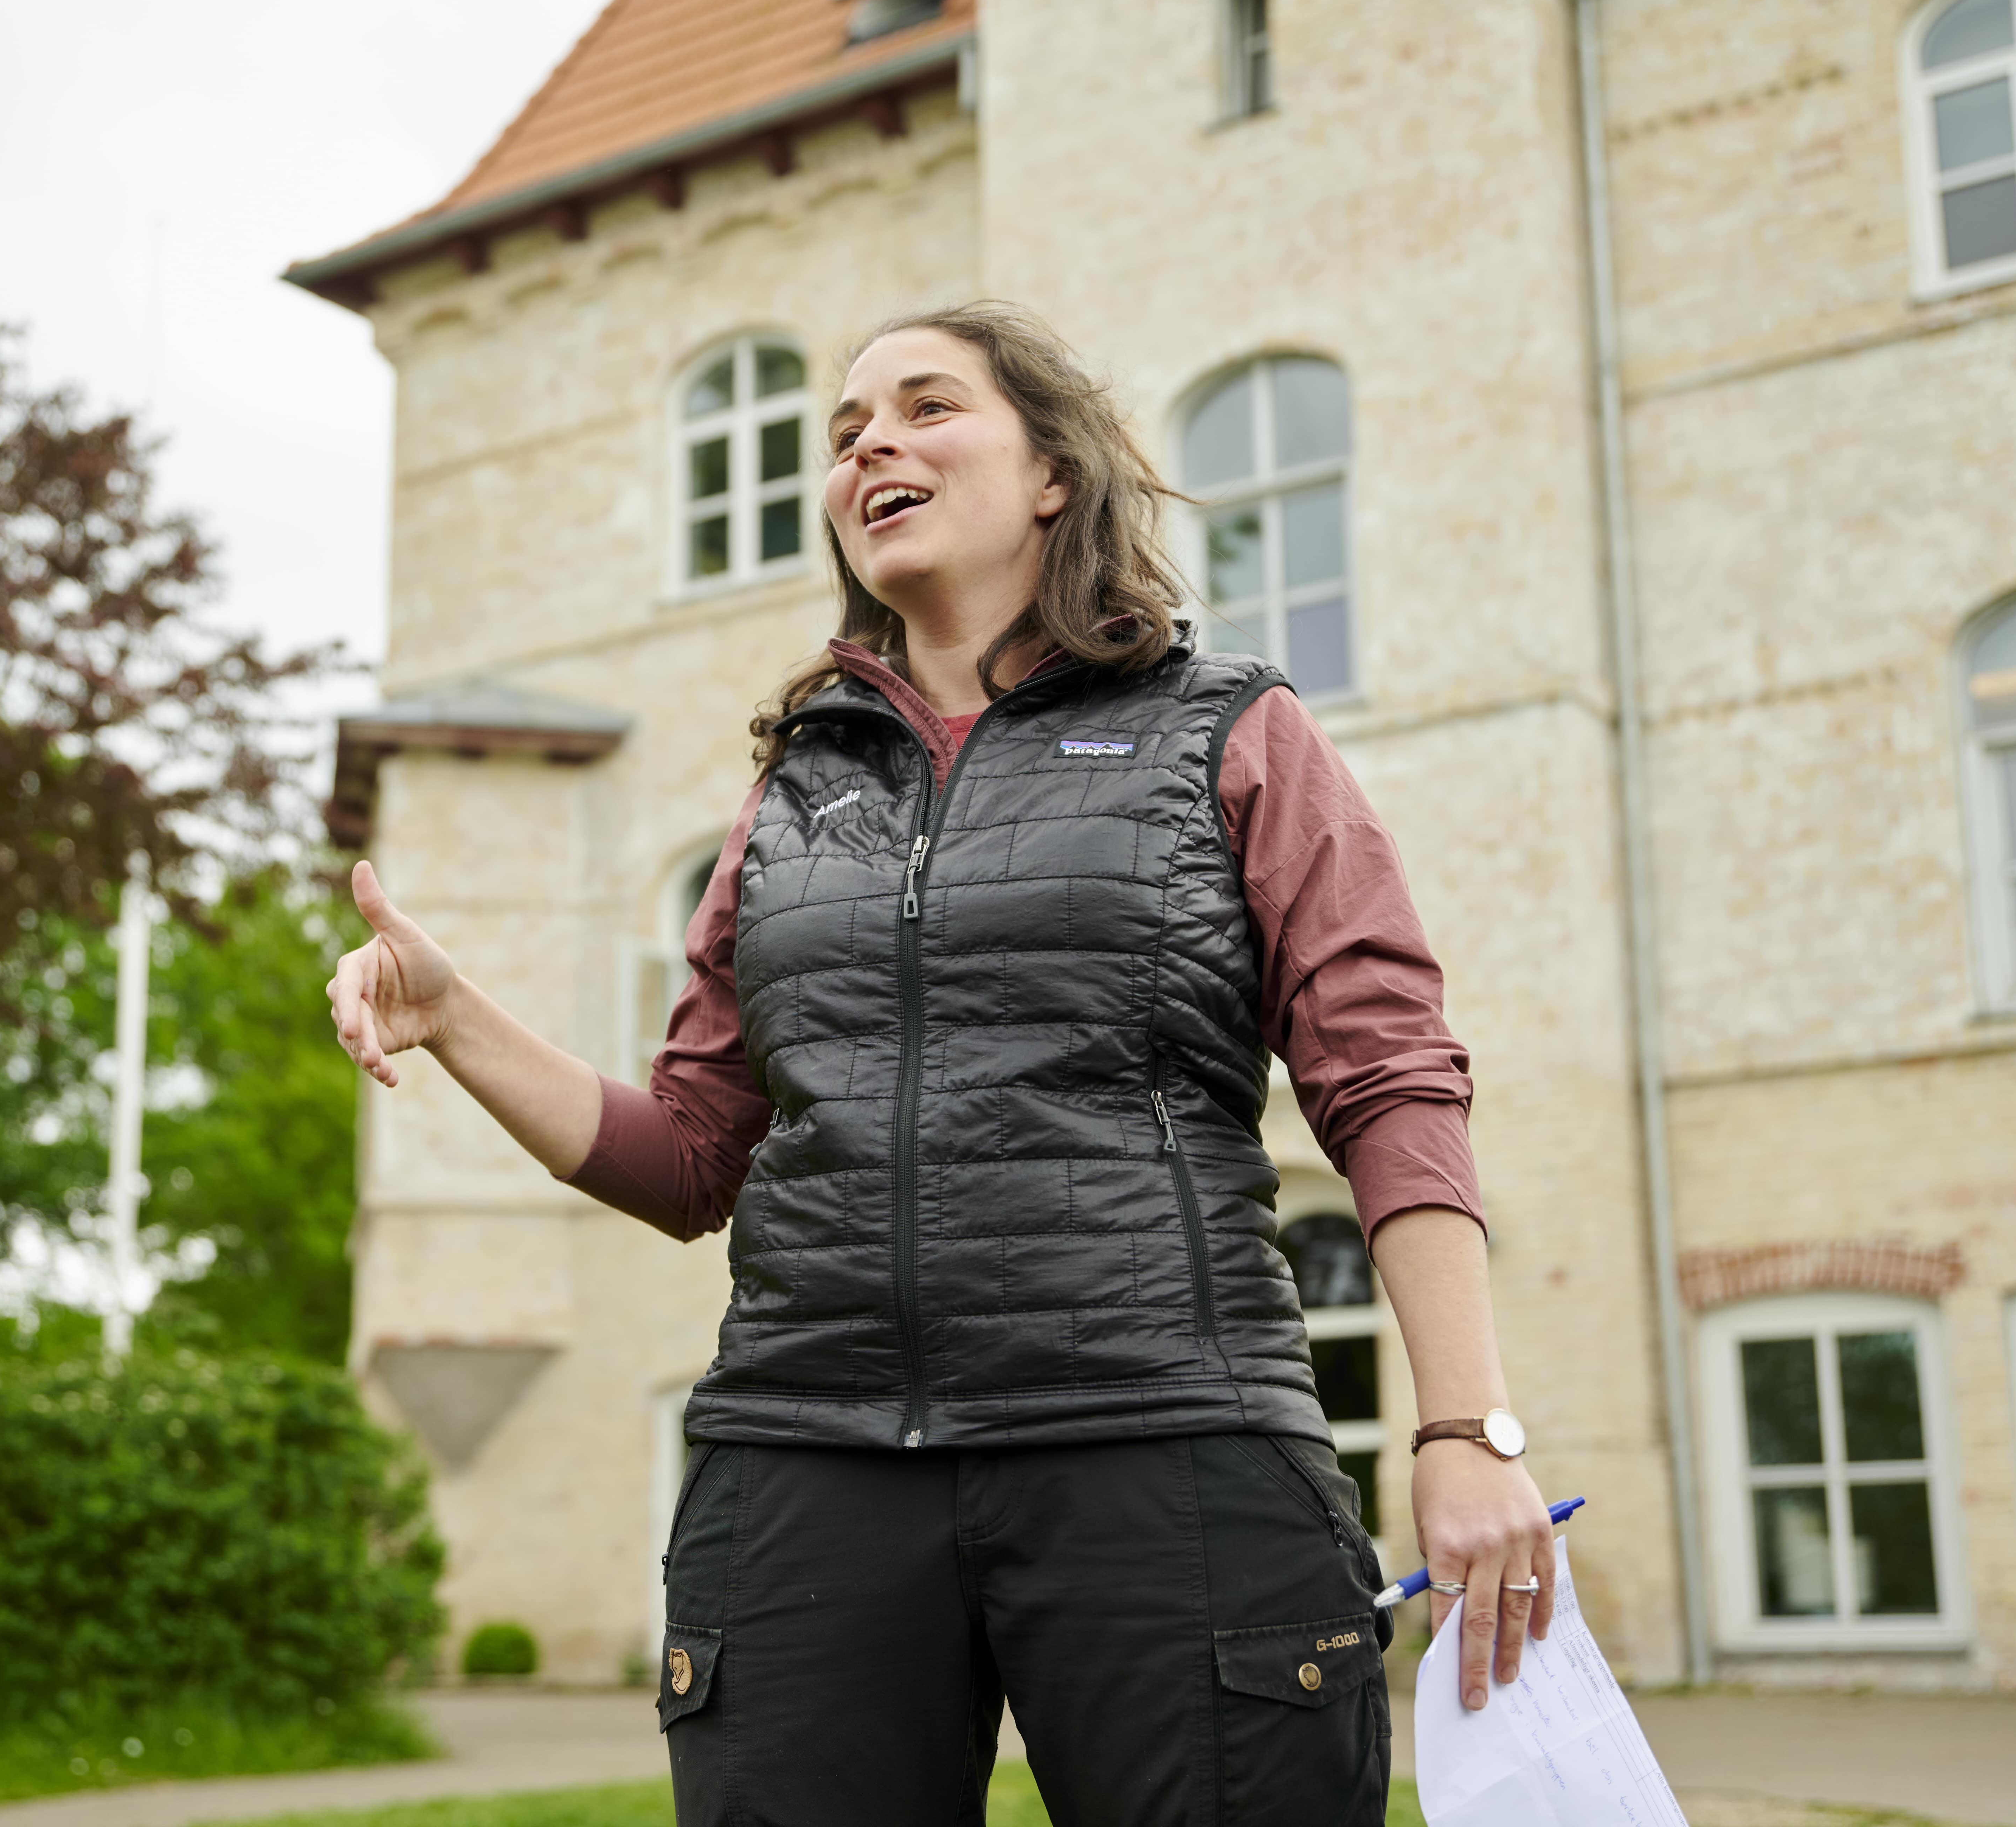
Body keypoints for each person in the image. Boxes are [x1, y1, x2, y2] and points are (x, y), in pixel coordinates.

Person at [329, 302, 1554, 1826]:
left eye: (924, 408)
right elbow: (693, 1153)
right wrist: (456, 1019)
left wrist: (1464, 1427)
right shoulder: (793, 791)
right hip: (807, 1458)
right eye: (844, 432)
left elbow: (1389, 1077)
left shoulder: (1229, 728)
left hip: (1166, 1443)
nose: (868, 446)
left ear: (1053, 471)